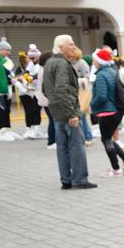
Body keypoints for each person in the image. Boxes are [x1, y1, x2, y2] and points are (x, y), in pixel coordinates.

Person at [44, 35, 96, 190]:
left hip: (56, 111)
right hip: (67, 111)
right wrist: (71, 113)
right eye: (70, 45)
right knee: (76, 145)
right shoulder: (61, 63)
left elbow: (45, 88)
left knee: (62, 147)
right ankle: (79, 179)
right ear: (60, 47)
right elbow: (62, 89)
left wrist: (54, 103)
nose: (73, 47)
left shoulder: (49, 62)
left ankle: (66, 180)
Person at [89, 47, 124, 177]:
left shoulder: (101, 75)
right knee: (108, 138)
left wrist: (92, 104)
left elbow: (102, 96)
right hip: (116, 111)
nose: (93, 63)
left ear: (99, 61)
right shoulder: (112, 71)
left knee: (106, 140)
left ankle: (116, 169)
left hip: (107, 112)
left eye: (94, 60)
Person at [0, 38, 22, 142]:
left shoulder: (5, 60)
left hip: (7, 89)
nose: (9, 52)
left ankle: (7, 129)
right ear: (1, 50)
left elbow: (9, 73)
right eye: (7, 50)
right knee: (2, 111)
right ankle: (2, 131)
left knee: (7, 110)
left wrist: (13, 79)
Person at [18, 45, 46, 139]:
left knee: (45, 110)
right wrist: (26, 82)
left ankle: (38, 129)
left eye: (32, 57)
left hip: (42, 90)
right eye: (29, 57)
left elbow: (37, 76)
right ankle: (35, 129)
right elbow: (27, 74)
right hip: (35, 91)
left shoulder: (41, 65)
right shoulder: (31, 65)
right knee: (35, 110)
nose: (31, 59)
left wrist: (31, 78)